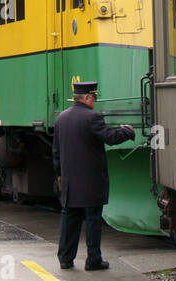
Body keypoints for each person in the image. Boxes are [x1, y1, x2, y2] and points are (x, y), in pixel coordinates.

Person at [52, 81, 135, 270]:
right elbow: (111, 138)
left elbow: (55, 152)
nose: (95, 102)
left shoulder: (61, 118)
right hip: (91, 183)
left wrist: (60, 175)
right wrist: (127, 131)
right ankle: (93, 260)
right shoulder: (92, 117)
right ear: (87, 97)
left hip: (70, 183)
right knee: (93, 221)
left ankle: (65, 259)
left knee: (69, 220)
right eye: (94, 98)